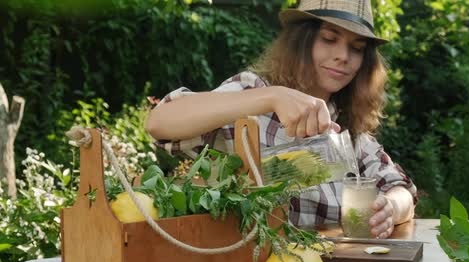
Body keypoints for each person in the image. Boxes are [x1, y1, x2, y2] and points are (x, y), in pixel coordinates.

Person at [146, 0, 417, 239]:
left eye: (356, 48)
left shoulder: (346, 125)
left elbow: (401, 188)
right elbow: (159, 123)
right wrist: (272, 97)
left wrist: (391, 209)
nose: (343, 56)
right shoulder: (253, 93)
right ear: (301, 41)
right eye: (329, 39)